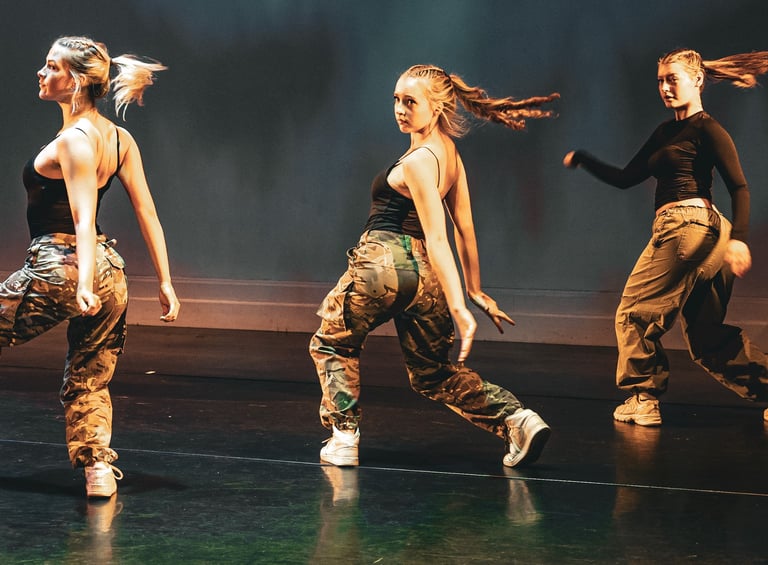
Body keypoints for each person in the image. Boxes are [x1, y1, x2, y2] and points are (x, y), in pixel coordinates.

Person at [309, 64, 559, 467]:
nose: (400, 109)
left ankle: (344, 437)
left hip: (383, 263)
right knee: (433, 372)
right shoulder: (449, 155)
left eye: (410, 102)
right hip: (423, 278)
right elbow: (466, 229)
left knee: (331, 342)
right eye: (396, 100)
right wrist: (474, 289)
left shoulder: (418, 161)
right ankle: (517, 419)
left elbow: (441, 234)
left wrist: (461, 307)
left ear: (437, 107)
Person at [0, 36, 181, 497]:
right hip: (111, 273)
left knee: (88, 371)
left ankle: (98, 465)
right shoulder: (119, 139)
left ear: (76, 81)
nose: (41, 73)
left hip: (63, 267)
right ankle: (97, 468)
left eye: (52, 66)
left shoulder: (75, 141)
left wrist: (82, 285)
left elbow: (83, 218)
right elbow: (147, 212)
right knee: (89, 375)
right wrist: (164, 281)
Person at [563, 48, 768, 426]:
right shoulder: (665, 133)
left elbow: (739, 186)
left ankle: (643, 398)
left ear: (697, 80)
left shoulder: (707, 128)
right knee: (707, 337)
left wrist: (740, 239)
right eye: (660, 81)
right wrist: (583, 159)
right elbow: (626, 178)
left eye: (672, 79)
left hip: (687, 228)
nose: (665, 88)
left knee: (633, 313)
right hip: (706, 234)